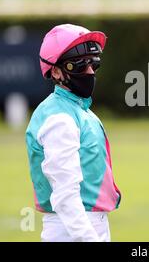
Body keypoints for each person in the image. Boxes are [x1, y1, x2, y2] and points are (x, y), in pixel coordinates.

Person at [25, 24, 121, 242]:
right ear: (56, 71)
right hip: (73, 229)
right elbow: (65, 194)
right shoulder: (59, 118)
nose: (89, 72)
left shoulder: (77, 110)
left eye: (93, 64)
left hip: (82, 226)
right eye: (79, 66)